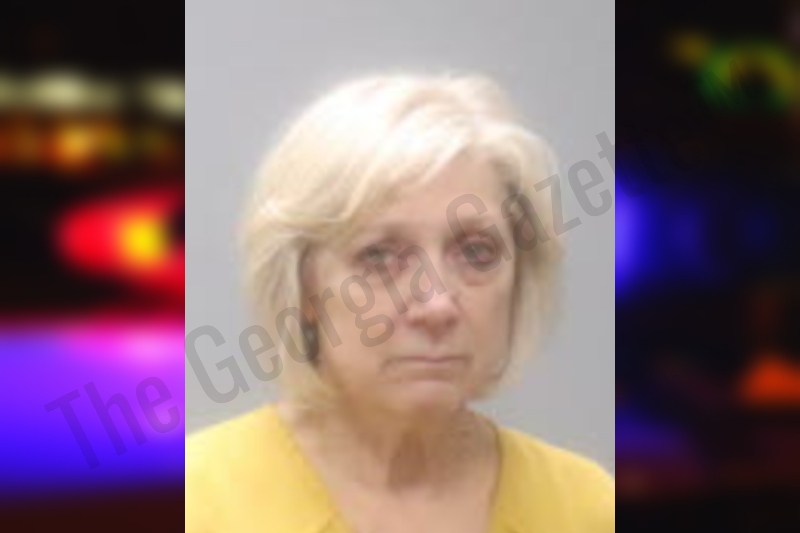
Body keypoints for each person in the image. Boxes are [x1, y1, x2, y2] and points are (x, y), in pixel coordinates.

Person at [185, 71, 614, 533]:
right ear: (303, 289)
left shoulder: (586, 507)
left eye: (476, 252)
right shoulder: (197, 500)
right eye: (379, 257)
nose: (437, 306)